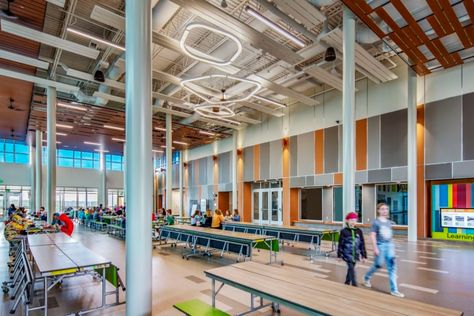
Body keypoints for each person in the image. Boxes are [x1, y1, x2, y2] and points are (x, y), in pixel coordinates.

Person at [363, 203, 404, 298]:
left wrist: (393, 245)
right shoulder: (376, 222)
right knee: (377, 265)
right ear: (378, 210)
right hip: (380, 246)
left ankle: (394, 290)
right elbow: (373, 235)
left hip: (390, 246)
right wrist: (375, 247)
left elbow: (390, 235)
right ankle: (366, 278)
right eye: (382, 209)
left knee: (392, 267)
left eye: (386, 209)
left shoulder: (389, 222)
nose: (385, 210)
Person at [337, 212, 367, 286]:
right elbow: (340, 244)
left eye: (354, 220)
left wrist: (364, 256)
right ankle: (354, 283)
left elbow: (362, 244)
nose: (353, 222)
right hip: (346, 254)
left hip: (355, 254)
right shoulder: (344, 231)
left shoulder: (359, 231)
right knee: (351, 267)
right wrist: (339, 255)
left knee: (351, 268)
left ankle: (347, 281)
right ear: (347, 221)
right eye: (351, 220)